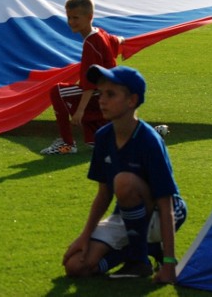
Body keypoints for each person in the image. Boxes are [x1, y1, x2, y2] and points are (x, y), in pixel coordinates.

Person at [62, 65, 187, 282]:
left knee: (123, 181)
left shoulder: (149, 141)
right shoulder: (103, 137)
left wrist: (170, 263)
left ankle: (140, 261)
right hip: (128, 215)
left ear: (132, 100)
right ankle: (142, 251)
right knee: (75, 266)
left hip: (164, 215)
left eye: (111, 94)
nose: (101, 100)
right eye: (101, 93)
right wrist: (85, 236)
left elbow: (166, 203)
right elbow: (103, 195)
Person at [41, 0, 123, 154]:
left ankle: (67, 143)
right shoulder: (100, 33)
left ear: (89, 17)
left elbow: (89, 83)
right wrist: (122, 40)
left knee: (57, 91)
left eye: (76, 17)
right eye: (69, 17)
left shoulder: (91, 43)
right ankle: (96, 133)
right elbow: (115, 40)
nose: (71, 22)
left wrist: (80, 111)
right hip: (112, 94)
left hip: (102, 94)